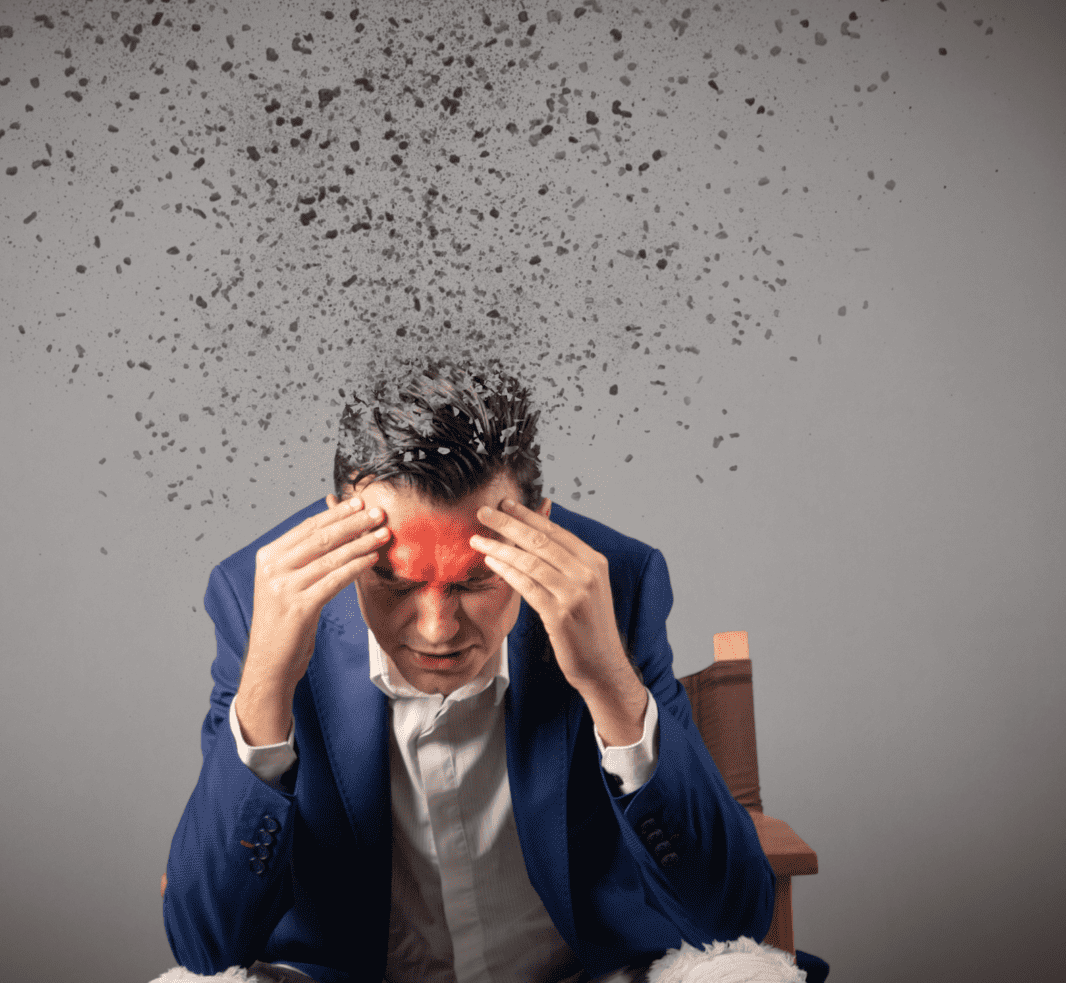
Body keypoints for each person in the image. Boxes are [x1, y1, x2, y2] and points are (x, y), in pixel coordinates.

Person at [163, 359, 776, 983]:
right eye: (394, 582)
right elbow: (205, 949)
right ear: (336, 525)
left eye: (476, 580)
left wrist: (608, 682)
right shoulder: (259, 598)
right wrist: (267, 685)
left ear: (538, 523)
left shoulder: (613, 586)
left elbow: (733, 921)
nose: (436, 629)